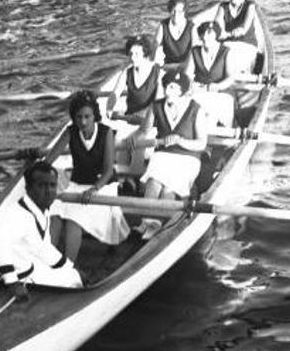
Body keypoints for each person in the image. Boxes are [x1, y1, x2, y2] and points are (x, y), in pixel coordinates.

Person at [0, 161, 83, 289]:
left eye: (52, 185)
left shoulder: (41, 209)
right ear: (28, 188)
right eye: (42, 186)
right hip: (6, 278)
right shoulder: (20, 216)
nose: (48, 191)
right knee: (74, 281)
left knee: (72, 273)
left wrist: (68, 266)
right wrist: (13, 284)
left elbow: (43, 247)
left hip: (22, 267)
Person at [48, 90, 130, 262]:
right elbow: (49, 159)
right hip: (78, 184)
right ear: (74, 117)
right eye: (79, 117)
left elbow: (108, 170)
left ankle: (68, 266)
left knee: (73, 220)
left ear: (95, 116)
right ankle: (49, 258)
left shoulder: (106, 132)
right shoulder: (70, 132)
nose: (83, 122)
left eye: (87, 117)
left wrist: (94, 189)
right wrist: (36, 163)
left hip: (103, 184)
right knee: (54, 213)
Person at [134, 71, 208, 240]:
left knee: (169, 187)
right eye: (167, 86)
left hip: (188, 157)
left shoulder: (196, 109)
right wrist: (132, 141)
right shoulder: (157, 106)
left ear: (182, 90)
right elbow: (143, 131)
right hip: (163, 156)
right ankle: (146, 222)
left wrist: (180, 140)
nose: (168, 91)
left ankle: (156, 225)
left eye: (173, 87)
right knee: (153, 182)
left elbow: (202, 143)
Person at [182, 21, 236, 127]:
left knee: (224, 104)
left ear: (216, 36)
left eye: (210, 33)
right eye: (204, 34)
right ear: (200, 36)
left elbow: (230, 77)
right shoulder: (194, 52)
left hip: (221, 92)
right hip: (200, 90)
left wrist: (218, 86)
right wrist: (192, 84)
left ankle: (222, 130)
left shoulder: (226, 52)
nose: (206, 37)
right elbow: (187, 76)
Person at [107, 34, 163, 125]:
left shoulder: (158, 72)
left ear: (145, 54)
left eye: (137, 54)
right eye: (130, 54)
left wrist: (140, 115)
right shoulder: (126, 72)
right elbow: (115, 93)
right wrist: (109, 108)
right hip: (131, 119)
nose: (132, 58)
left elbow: (158, 101)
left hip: (151, 121)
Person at [214, 0, 259, 76]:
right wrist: (219, 31)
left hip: (247, 43)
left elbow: (245, 26)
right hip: (228, 43)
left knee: (239, 60)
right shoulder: (223, 6)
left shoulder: (250, 5)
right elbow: (217, 23)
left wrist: (240, 30)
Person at [153, 0, 195, 71]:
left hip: (187, 66)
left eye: (179, 11)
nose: (176, 15)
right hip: (168, 66)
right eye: (173, 11)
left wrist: (185, 66)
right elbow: (154, 46)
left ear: (184, 12)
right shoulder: (163, 26)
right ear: (169, 10)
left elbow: (194, 51)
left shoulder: (191, 27)